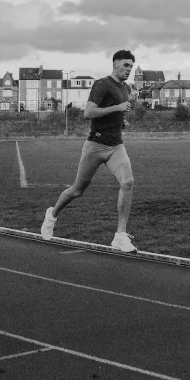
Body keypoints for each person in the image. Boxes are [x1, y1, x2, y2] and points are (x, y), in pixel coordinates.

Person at [41, 50, 140, 252]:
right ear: (115, 64)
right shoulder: (102, 84)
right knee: (77, 190)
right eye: (126, 65)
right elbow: (88, 112)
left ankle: (120, 236)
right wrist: (118, 108)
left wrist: (121, 121)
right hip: (95, 146)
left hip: (116, 146)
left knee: (128, 182)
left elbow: (117, 112)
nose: (129, 69)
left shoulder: (125, 88)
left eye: (131, 66)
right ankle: (52, 215)